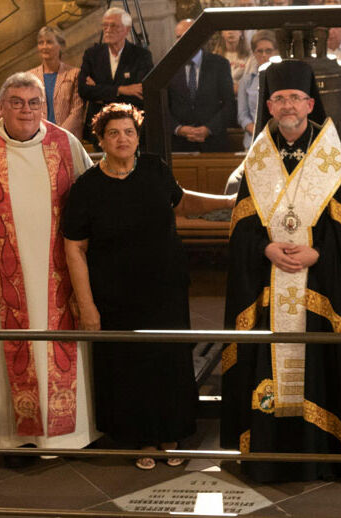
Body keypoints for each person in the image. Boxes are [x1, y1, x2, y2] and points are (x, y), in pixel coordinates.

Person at [220, 59, 341, 483]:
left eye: (295, 99)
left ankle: (325, 452)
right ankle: (275, 453)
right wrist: (265, 247)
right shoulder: (258, 159)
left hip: (322, 286)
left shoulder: (333, 157)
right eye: (279, 98)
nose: (288, 106)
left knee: (323, 364)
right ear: (268, 104)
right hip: (271, 283)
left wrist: (318, 254)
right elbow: (242, 226)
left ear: (310, 103)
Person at [63, 103, 233, 470]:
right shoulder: (87, 187)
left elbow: (182, 202)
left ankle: (171, 434)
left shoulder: (155, 169)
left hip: (165, 288)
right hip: (115, 295)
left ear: (137, 137)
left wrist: (233, 203)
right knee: (127, 366)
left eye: (129, 132)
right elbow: (74, 248)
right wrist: (86, 305)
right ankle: (139, 439)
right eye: (113, 133)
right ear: (101, 140)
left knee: (168, 361)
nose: (122, 139)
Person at [0, 72, 97, 462]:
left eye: (34, 102)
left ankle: (66, 437)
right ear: (1, 107)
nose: (26, 110)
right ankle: (12, 440)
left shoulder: (66, 143)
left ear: (44, 106)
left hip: (61, 275)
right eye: (17, 102)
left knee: (62, 354)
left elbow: (96, 197)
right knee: (4, 360)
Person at [78, 7, 153, 145]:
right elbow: (84, 90)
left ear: (127, 29)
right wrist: (121, 89)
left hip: (129, 128)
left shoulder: (141, 56)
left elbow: (140, 95)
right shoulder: (92, 54)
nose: (107, 29)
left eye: (113, 26)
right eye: (105, 25)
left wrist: (99, 91)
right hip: (99, 129)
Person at [168, 19, 235, 152]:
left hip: (213, 143)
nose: (182, 41)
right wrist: (179, 129)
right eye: (178, 37)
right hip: (178, 144)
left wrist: (208, 129)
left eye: (186, 36)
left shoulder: (219, 64)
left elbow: (229, 104)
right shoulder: (167, 66)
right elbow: (161, 107)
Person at [26, 26, 85, 137]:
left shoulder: (75, 74)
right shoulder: (30, 77)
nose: (44, 47)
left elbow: (77, 110)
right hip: (38, 136)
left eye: (49, 42)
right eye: (40, 43)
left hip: (68, 136)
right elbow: (28, 109)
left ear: (61, 46)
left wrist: (59, 134)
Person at [238, 30, 278, 150]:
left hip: (279, 138)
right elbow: (242, 115)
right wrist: (258, 132)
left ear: (276, 52)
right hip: (253, 141)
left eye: (268, 51)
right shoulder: (246, 80)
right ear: (254, 53)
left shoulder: (284, 77)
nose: (264, 55)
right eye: (259, 51)